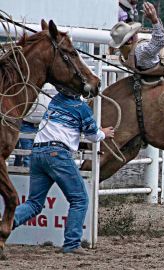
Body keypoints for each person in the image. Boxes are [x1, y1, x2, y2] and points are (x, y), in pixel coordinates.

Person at [12, 92, 115, 255]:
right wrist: (104, 133)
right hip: (58, 154)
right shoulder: (81, 108)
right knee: (80, 198)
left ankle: (5, 224)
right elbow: (93, 136)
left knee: (34, 203)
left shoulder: (56, 99)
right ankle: (72, 243)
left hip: (38, 151)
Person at [14, 84, 57, 167]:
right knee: (27, 154)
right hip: (27, 124)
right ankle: (28, 177)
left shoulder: (51, 86)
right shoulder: (30, 83)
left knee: (45, 153)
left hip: (46, 125)